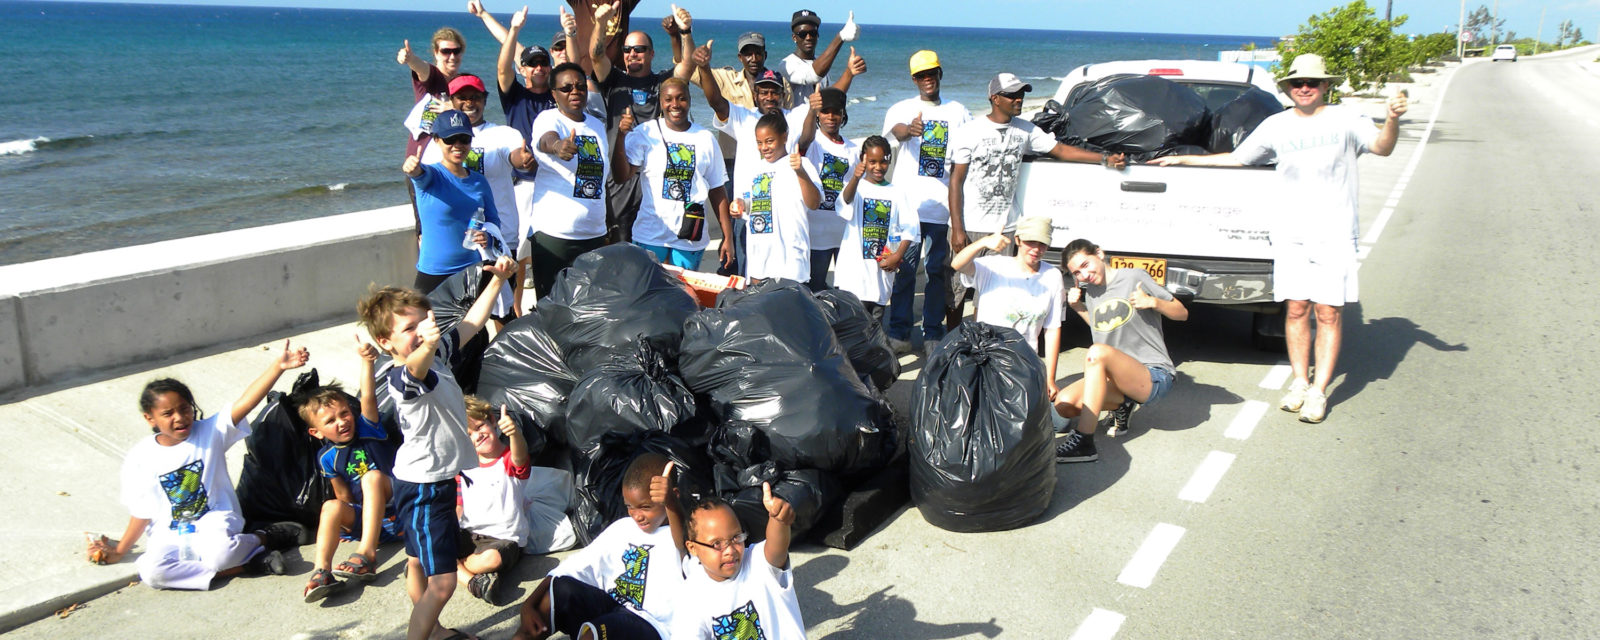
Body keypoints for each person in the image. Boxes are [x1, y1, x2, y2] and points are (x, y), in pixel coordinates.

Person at [1153, 53, 1406, 423]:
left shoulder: (1348, 120)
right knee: (1297, 309)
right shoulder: (1276, 125)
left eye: (1313, 83)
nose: (1305, 88)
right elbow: (1239, 159)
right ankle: (1300, 382)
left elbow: (1382, 147)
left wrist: (1393, 120)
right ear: (1288, 88)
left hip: (1334, 234)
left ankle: (1319, 391)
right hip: (1290, 234)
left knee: (1328, 313)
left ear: (1325, 87)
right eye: (1297, 83)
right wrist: (1184, 161)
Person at [355, 256, 514, 640]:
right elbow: (416, 369)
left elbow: (471, 325)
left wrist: (498, 282)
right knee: (442, 583)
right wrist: (426, 342)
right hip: (425, 488)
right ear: (384, 342)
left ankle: (435, 630)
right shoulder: (401, 378)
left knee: (416, 562)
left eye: (423, 323)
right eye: (408, 328)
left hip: (427, 481)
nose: (421, 332)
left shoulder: (437, 353)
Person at [86, 343, 308, 590]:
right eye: (168, 413)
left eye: (184, 408)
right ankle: (251, 565)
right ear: (150, 418)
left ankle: (267, 536)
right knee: (151, 573)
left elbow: (245, 403)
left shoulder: (210, 433)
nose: (180, 417)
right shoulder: (140, 457)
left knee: (220, 555)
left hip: (214, 521)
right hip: (172, 535)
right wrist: (119, 549)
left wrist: (278, 367)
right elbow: (142, 511)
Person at [947, 72, 1125, 328]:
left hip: (1005, 228)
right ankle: (953, 345)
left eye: (1021, 94)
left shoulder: (1026, 129)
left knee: (994, 293)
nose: (1019, 99)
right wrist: (958, 229)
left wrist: (1104, 159)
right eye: (1012, 95)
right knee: (956, 293)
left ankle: (985, 344)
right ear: (995, 98)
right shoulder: (970, 132)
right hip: (971, 225)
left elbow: (1061, 150)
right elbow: (956, 181)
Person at [512, 454, 686, 640]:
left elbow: (682, 545)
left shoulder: (689, 536)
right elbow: (570, 567)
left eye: (645, 507)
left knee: (598, 632)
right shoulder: (623, 528)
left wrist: (672, 505)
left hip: (653, 626)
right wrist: (528, 605)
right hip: (615, 606)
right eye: (630, 506)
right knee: (557, 594)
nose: (637, 515)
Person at [1052, 238, 1188, 463]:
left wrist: (1154, 302)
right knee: (1064, 404)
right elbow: (1102, 329)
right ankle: (1123, 405)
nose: (1084, 275)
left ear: (1099, 254)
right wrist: (1079, 308)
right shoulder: (1092, 292)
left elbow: (1182, 313)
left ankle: (1084, 442)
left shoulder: (1134, 277)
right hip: (1118, 377)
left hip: (1153, 374)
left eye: (1086, 265)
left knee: (1097, 353)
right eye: (1077, 272)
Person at [299, 338, 402, 602]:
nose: (342, 421)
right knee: (331, 506)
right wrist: (344, 522)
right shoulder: (327, 458)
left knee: (372, 478)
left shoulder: (369, 429)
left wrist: (367, 362)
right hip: (372, 522)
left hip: (400, 507)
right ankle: (321, 571)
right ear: (316, 432)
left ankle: (367, 554)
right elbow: (344, 496)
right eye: (330, 420)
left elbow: (368, 396)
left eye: (345, 413)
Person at [883, 50, 971, 357]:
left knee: (936, 272)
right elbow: (890, 136)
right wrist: (907, 130)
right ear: (913, 79)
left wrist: (960, 217)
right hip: (907, 210)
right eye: (921, 75)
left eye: (931, 73)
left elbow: (968, 156)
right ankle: (899, 332)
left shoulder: (958, 111)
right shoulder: (902, 109)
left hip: (941, 209)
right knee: (904, 271)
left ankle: (933, 332)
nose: (927, 79)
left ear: (940, 74)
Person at [588, 3, 696, 244]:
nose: (632, 54)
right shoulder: (614, 80)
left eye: (639, 49)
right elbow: (596, 55)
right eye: (627, 49)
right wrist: (600, 24)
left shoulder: (662, 83)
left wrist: (686, 32)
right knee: (620, 243)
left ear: (651, 54)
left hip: (654, 177)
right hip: (621, 177)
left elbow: (687, 66)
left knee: (656, 245)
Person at [612, 76, 733, 270]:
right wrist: (620, 136)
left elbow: (718, 190)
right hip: (650, 234)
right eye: (668, 99)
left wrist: (728, 237)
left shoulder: (705, 138)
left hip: (690, 237)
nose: (675, 104)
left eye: (681, 98)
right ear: (661, 102)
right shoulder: (645, 133)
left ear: (690, 101)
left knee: (684, 294)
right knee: (650, 293)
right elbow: (621, 176)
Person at [950, 216, 1066, 395]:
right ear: (1018, 240)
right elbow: (958, 264)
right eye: (1030, 242)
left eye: (1042, 244)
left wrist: (1049, 378)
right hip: (986, 359)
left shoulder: (1053, 276)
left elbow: (1052, 329)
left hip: (1024, 362)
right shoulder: (994, 266)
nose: (1036, 249)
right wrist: (983, 242)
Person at [669, 489, 803, 639]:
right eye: (716, 544)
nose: (729, 550)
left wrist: (778, 519)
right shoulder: (690, 597)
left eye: (735, 538)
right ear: (693, 548)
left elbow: (777, 548)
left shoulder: (758, 563)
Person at [527, 62, 611, 299]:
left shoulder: (596, 124)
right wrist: (557, 146)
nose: (575, 92)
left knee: (588, 304)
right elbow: (546, 139)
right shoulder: (549, 118)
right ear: (554, 93)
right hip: (556, 235)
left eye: (580, 87)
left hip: (593, 233)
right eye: (566, 88)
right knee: (552, 304)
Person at [404, 109, 508, 295]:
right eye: (450, 139)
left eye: (464, 139)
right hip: (433, 272)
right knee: (425, 323)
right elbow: (419, 175)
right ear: (436, 140)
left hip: (472, 270)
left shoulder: (479, 181)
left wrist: (489, 238)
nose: (457, 145)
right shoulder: (431, 175)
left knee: (477, 324)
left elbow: (493, 220)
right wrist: (413, 169)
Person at [454, 397, 532, 606]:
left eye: (480, 426)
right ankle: (474, 581)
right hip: (469, 534)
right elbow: (459, 504)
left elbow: (520, 456)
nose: (478, 436)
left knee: (492, 559)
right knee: (430, 543)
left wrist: (514, 433)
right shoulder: (463, 467)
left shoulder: (508, 461)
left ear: (491, 420)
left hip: (502, 539)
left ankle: (458, 569)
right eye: (469, 435)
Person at [728, 113, 823, 283]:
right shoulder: (753, 169)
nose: (764, 147)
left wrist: (800, 172)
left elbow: (814, 203)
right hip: (759, 262)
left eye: (769, 141)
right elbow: (750, 204)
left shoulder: (802, 164)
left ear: (785, 137)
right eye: (759, 142)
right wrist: (740, 206)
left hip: (791, 263)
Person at [836, 134, 919, 319]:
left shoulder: (897, 192)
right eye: (872, 162)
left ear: (889, 160)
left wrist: (897, 256)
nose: (878, 167)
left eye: (883, 161)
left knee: (875, 323)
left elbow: (911, 228)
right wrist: (855, 178)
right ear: (863, 160)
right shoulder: (854, 188)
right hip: (854, 274)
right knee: (851, 326)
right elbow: (844, 202)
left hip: (881, 274)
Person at [800, 87, 856, 289]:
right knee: (814, 287)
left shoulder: (853, 150)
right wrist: (810, 109)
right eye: (825, 111)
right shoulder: (813, 144)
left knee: (846, 288)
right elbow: (804, 139)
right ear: (818, 115)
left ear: (843, 115)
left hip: (844, 232)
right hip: (816, 235)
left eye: (836, 111)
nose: (831, 117)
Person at [778, 9, 858, 108]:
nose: (808, 37)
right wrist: (840, 37)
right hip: (796, 123)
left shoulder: (821, 64)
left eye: (813, 33)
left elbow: (830, 96)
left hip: (817, 123)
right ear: (794, 38)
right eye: (802, 34)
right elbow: (812, 75)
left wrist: (849, 72)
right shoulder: (787, 64)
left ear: (818, 36)